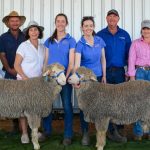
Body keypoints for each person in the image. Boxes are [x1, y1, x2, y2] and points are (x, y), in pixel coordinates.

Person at [39, 13, 76, 146]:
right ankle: (47, 131)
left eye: (63, 21)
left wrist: (65, 78)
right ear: (55, 23)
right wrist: (45, 74)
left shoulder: (71, 40)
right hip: (50, 79)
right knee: (48, 105)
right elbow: (46, 60)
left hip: (64, 78)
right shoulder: (49, 41)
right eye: (58, 21)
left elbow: (71, 62)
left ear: (66, 23)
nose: (60, 24)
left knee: (67, 106)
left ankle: (67, 135)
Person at [97, 9, 131, 142]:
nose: (112, 18)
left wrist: (129, 72)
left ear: (118, 19)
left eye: (114, 16)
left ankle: (118, 128)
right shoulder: (100, 34)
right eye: (110, 16)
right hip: (105, 73)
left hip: (119, 72)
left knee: (119, 101)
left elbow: (130, 55)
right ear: (106, 18)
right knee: (107, 102)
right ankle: (110, 130)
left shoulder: (124, 35)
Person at [73, 16, 106, 146]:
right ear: (82, 28)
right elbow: (77, 64)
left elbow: (103, 59)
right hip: (85, 81)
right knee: (84, 107)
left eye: (90, 25)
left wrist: (104, 75)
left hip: (97, 78)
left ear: (93, 26)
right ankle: (85, 133)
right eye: (85, 26)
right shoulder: (79, 44)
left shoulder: (99, 40)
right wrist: (77, 79)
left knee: (98, 106)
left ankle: (99, 133)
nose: (88, 28)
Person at [14, 21, 48, 144]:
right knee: (23, 108)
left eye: (36, 29)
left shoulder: (43, 47)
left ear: (39, 32)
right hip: (24, 81)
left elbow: (44, 66)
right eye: (31, 30)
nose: (34, 32)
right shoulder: (23, 46)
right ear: (28, 33)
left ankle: (35, 131)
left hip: (37, 83)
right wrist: (25, 78)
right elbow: (16, 65)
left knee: (35, 108)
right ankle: (24, 134)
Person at [128, 20, 150, 141]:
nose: (146, 31)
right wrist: (132, 77)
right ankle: (138, 132)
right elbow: (131, 60)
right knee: (138, 103)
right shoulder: (135, 43)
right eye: (144, 29)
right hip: (140, 73)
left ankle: (149, 130)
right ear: (141, 30)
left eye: (148, 29)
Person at [0, 11, 26, 79]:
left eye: (17, 21)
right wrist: (9, 70)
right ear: (8, 23)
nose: (15, 23)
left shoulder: (25, 37)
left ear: (19, 22)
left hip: (24, 71)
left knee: (23, 89)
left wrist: (21, 70)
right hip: (9, 73)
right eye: (12, 21)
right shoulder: (3, 37)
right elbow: (2, 55)